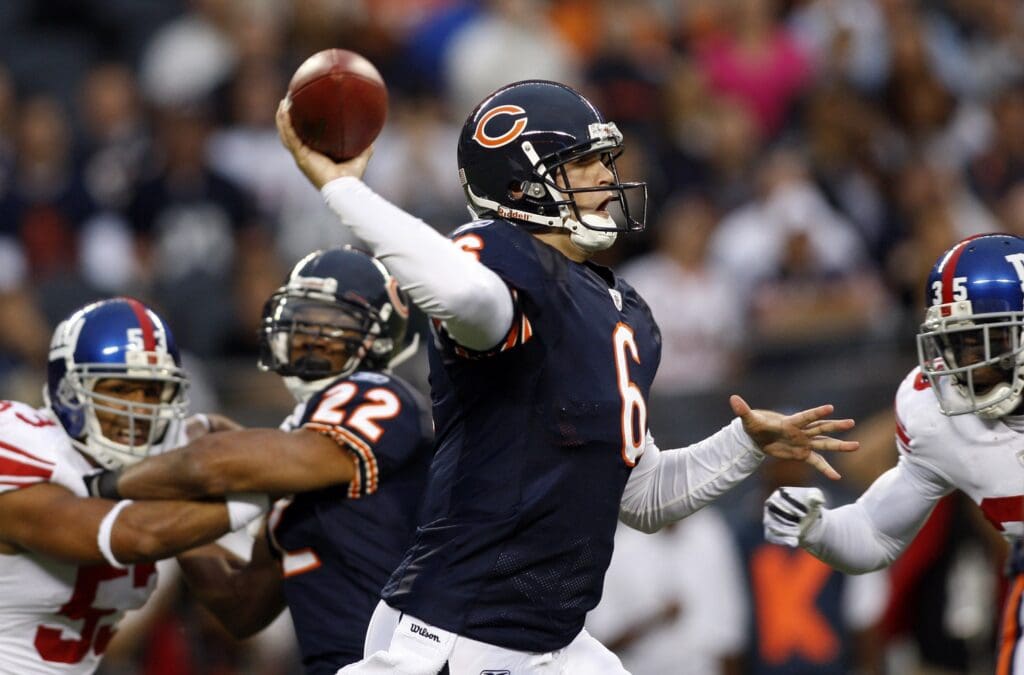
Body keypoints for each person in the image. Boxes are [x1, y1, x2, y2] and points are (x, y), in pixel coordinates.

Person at [275, 79, 859, 674]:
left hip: (554, 644)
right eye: (582, 163)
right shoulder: (501, 255)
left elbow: (643, 497)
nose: (607, 178)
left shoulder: (624, 310)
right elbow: (465, 294)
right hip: (454, 638)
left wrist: (744, 446)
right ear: (518, 181)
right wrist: (343, 188)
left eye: (605, 161)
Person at [90, 247, 434, 673]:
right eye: (302, 315)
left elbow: (209, 464)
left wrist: (109, 481)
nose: (309, 331)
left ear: (378, 335)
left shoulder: (378, 393)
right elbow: (240, 608)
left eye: (331, 321)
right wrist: (165, 508)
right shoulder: (296, 458)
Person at [764, 232, 1024, 674]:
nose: (968, 362)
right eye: (957, 342)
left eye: (990, 342)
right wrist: (818, 528)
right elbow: (876, 533)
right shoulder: (936, 413)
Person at [0, 296, 267, 673]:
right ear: (69, 392)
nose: (139, 408)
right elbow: (134, 535)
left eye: (152, 391)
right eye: (120, 390)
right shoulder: (21, 446)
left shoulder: (153, 473)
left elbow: (240, 607)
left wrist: (285, 528)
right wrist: (260, 493)